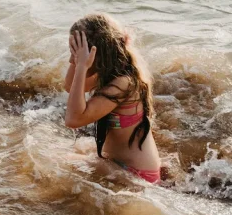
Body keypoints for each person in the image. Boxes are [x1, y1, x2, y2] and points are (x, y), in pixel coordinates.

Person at [64, 13, 161, 183]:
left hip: (136, 175)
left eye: (76, 53)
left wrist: (81, 65)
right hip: (119, 163)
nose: (71, 58)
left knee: (53, 161)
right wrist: (76, 62)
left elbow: (73, 119)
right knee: (56, 152)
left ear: (98, 54)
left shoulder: (124, 83)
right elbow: (70, 87)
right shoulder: (114, 70)